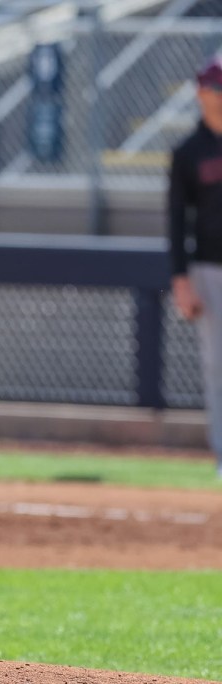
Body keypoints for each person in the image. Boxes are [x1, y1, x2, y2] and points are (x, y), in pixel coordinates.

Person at [169, 54, 222, 479]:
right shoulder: (189, 151)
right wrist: (181, 279)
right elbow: (175, 220)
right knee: (216, 365)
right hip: (209, 269)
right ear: (200, 93)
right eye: (215, 89)